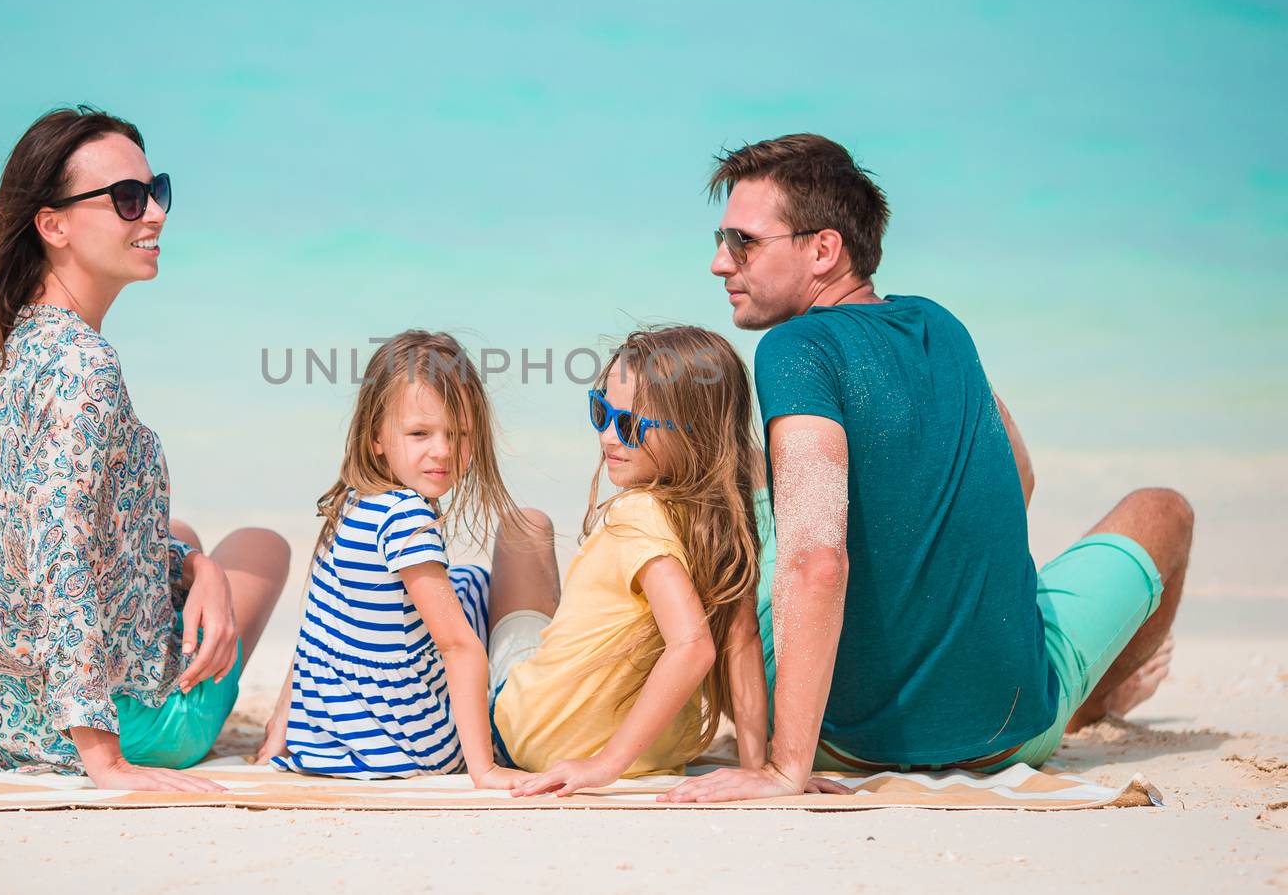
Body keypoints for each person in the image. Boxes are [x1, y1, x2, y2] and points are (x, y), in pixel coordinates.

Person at [666, 133, 1193, 802]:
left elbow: (816, 559)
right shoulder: (942, 326)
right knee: (1164, 509)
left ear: (823, 249)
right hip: (1018, 730)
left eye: (743, 242)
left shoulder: (793, 347)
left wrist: (784, 769)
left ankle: (794, 740)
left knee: (724, 474)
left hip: (844, 740)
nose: (720, 263)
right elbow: (1018, 475)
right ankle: (1091, 705)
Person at [0, 106, 290, 792]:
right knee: (265, 544)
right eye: (126, 199)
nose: (154, 214)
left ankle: (192, 569)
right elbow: (60, 550)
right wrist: (105, 759)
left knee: (181, 534)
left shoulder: (6, 343)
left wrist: (196, 566)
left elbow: (48, 531)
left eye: (156, 192)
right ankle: (135, 717)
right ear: (52, 224)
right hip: (96, 728)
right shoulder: (87, 366)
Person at [492, 327, 773, 796]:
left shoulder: (634, 511)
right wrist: (757, 767)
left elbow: (694, 647)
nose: (607, 436)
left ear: (694, 435)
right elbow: (739, 638)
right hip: (656, 754)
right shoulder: (727, 523)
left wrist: (604, 766)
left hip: (533, 736)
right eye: (601, 411)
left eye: (629, 426)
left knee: (525, 529)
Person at [258, 331, 530, 787]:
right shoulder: (405, 517)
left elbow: (318, 624)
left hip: (329, 738)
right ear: (377, 437)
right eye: (420, 433)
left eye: (459, 435)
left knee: (462, 582)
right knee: (479, 587)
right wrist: (482, 770)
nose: (442, 450)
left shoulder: (350, 500)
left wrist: (279, 728)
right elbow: (458, 647)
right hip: (412, 743)